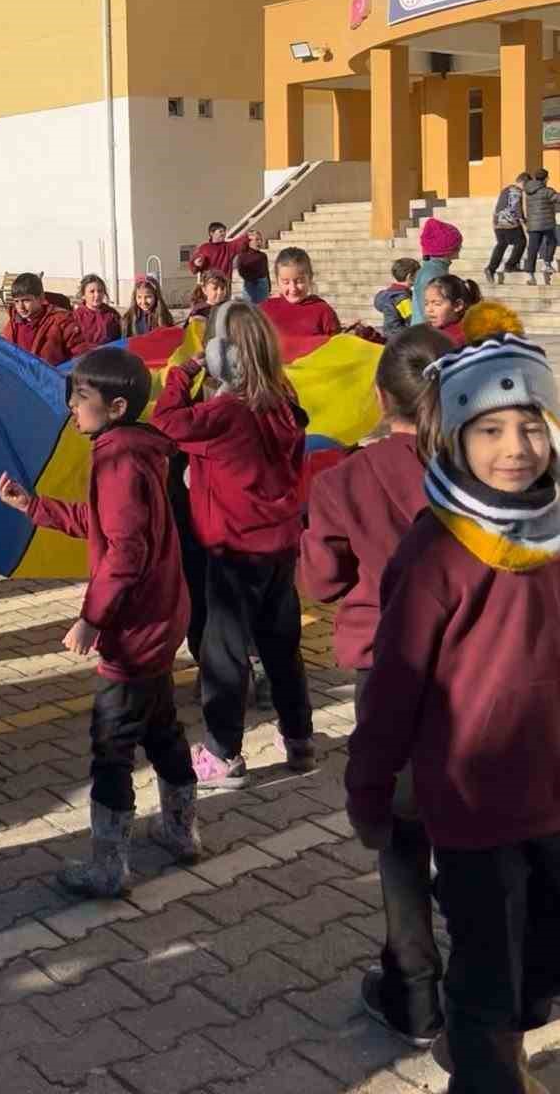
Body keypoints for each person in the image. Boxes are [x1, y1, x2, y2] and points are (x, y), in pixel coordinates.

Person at [346, 326, 560, 1094]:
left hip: (553, 797)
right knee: (484, 975)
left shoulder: (554, 531)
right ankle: (481, 1060)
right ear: (453, 437)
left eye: (530, 424)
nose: (516, 446)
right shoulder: (436, 550)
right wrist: (368, 793)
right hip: (472, 808)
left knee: (539, 966)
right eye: (491, 429)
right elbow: (395, 688)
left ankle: (500, 1039)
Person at [299, 325, 452, 1047]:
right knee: (477, 826)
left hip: (385, 665)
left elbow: (319, 579)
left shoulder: (343, 481)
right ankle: (494, 978)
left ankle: (415, 992)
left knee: (399, 833)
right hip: (481, 667)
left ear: (377, 395)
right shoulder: (492, 468)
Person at [0, 346, 196, 896]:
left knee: (111, 743)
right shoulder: (132, 450)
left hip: (134, 627)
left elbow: (124, 552)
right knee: (160, 727)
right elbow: (101, 524)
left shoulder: (119, 458)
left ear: (115, 405)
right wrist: (34, 507)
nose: (71, 406)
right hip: (159, 619)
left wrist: (92, 619)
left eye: (81, 397)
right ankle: (182, 834)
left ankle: (110, 867)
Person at [154, 300, 314, 785]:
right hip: (280, 547)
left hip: (232, 549)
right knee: (281, 647)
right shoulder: (284, 404)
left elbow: (168, 421)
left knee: (224, 655)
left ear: (224, 356)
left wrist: (186, 370)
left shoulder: (225, 412)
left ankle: (224, 755)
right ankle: (300, 740)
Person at [2, 273, 88, 365]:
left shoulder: (62, 321)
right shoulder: (13, 324)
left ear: (41, 298)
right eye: (16, 301)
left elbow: (80, 354)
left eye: (26, 300)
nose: (20, 307)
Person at [260, 248, 340, 342]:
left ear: (310, 278)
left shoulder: (323, 311)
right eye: (286, 282)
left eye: (299, 281)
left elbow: (337, 346)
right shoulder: (266, 309)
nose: (293, 288)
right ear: (277, 280)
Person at [411, 219, 462, 324]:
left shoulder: (435, 269)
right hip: (426, 335)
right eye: (458, 245)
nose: (460, 247)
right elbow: (430, 311)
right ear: (449, 248)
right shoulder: (432, 273)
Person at [486, 174, 529, 285]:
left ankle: (491, 268)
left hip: (497, 222)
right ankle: (510, 265)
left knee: (501, 244)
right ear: (524, 182)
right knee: (521, 242)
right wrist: (523, 221)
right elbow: (516, 207)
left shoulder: (506, 189)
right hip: (510, 223)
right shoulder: (517, 191)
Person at [423, 275, 481, 346]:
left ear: (458, 305)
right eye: (426, 303)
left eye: (437, 304)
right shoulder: (428, 331)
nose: (429, 309)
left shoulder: (458, 339)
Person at [524, 168, 559, 285]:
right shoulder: (547, 191)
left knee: (532, 249)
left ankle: (530, 276)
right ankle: (547, 264)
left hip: (533, 224)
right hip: (546, 224)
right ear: (546, 178)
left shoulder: (528, 191)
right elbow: (557, 199)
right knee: (552, 241)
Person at [374, 259, 420, 337]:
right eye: (418, 275)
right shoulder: (402, 298)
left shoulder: (389, 294)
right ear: (409, 276)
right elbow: (412, 320)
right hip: (400, 337)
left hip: (390, 334)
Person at [75, 274, 122, 348]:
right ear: (83, 295)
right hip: (86, 356)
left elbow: (121, 338)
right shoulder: (76, 316)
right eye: (92, 291)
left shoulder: (112, 314)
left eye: (100, 291)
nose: (97, 295)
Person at [235, 230, 271, 306]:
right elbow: (241, 271)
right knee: (250, 309)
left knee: (263, 309)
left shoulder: (263, 255)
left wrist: (269, 286)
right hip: (250, 286)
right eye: (257, 240)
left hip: (263, 286)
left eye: (261, 240)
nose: (259, 242)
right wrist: (251, 280)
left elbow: (266, 271)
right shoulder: (243, 256)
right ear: (249, 242)